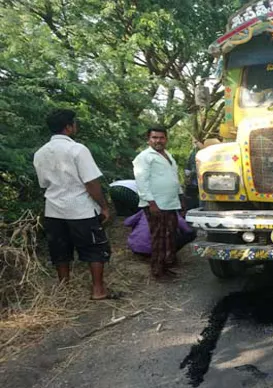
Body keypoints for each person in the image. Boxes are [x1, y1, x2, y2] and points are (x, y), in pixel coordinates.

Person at [33, 109, 117, 300]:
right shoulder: (78, 149)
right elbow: (91, 183)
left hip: (53, 209)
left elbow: (43, 184)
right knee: (94, 249)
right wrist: (104, 206)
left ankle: (65, 290)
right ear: (69, 127)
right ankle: (98, 290)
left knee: (60, 251)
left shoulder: (40, 153)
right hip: (81, 210)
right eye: (74, 123)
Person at [133, 127, 186, 279]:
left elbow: (174, 179)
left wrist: (181, 198)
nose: (158, 141)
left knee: (170, 235)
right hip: (156, 204)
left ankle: (165, 265)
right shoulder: (144, 157)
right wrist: (152, 203)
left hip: (170, 203)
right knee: (158, 237)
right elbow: (141, 182)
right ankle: (157, 270)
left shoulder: (168, 155)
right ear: (148, 140)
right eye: (154, 137)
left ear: (166, 139)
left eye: (161, 138)